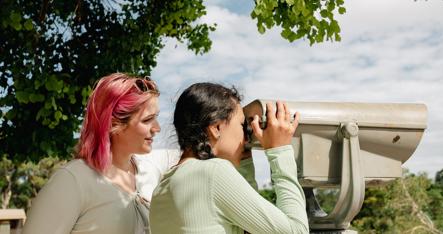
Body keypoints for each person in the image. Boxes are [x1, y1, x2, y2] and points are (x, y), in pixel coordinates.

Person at [150, 83, 309, 234]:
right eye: (242, 126)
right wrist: (279, 151)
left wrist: (245, 161)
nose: (246, 139)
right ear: (216, 128)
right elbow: (296, 230)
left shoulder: (162, 187)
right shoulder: (212, 173)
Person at [23, 73, 161, 234]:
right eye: (147, 120)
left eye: (156, 117)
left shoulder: (150, 173)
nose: (157, 128)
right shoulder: (72, 180)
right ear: (113, 124)